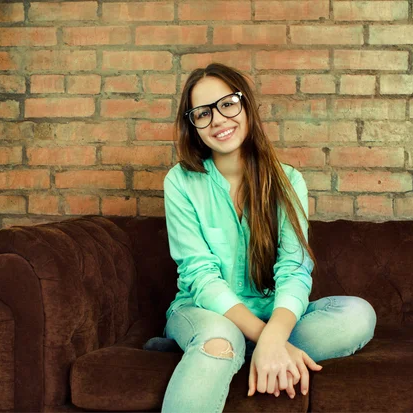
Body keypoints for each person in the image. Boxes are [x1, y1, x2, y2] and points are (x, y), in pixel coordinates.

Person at [161, 63, 377, 413]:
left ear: (246, 107)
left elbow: (294, 269)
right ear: (193, 125)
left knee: (357, 314)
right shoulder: (181, 182)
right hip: (204, 311)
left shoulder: (288, 180)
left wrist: (274, 333)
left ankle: (235, 351)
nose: (217, 120)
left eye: (227, 104)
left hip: (274, 315)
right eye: (202, 113)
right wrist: (271, 341)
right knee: (219, 339)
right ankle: (225, 347)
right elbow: (200, 277)